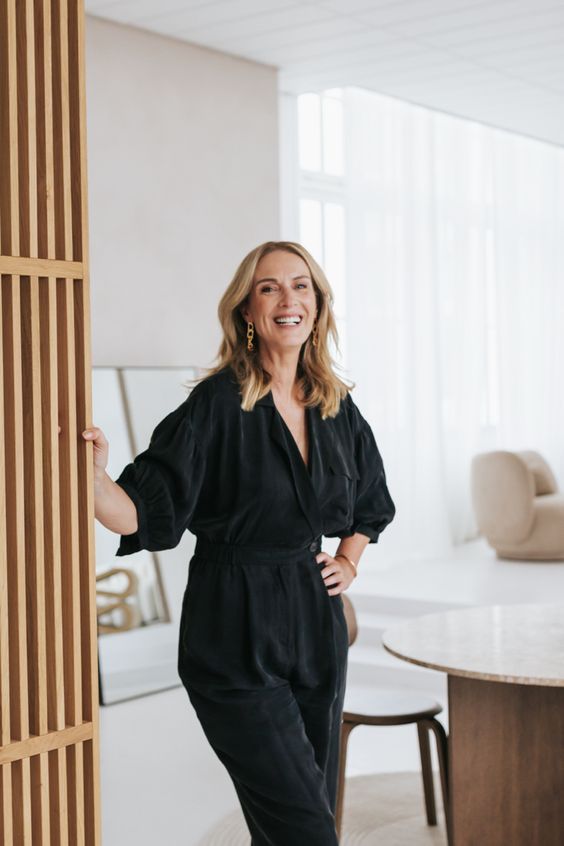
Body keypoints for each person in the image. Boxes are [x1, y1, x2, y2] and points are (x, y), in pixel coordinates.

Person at [84, 241, 395, 845]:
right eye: (269, 287)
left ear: (318, 303)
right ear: (247, 311)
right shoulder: (217, 405)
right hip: (232, 630)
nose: (288, 300)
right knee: (308, 830)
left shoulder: (335, 405)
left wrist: (349, 563)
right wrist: (95, 479)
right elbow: (140, 512)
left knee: (295, 819)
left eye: (301, 286)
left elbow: (372, 503)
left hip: (315, 629)